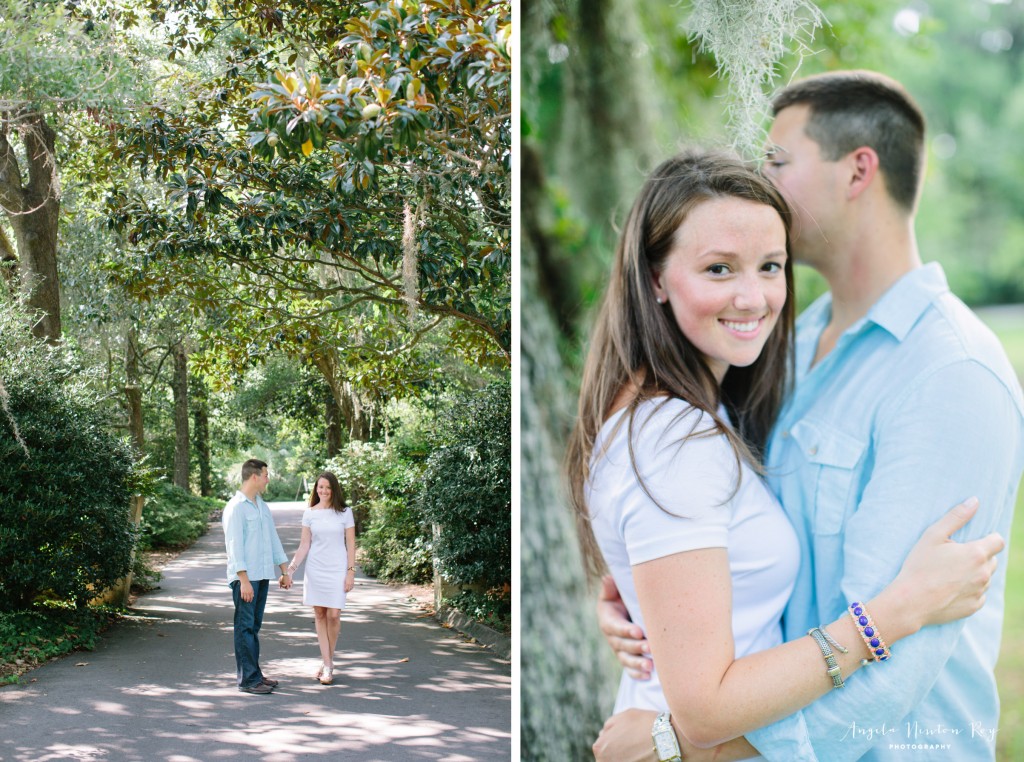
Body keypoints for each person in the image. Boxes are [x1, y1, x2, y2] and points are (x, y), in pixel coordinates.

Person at [594, 71, 1024, 760]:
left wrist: (696, 747)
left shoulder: (950, 373)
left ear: (857, 172)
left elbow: (899, 667)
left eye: (777, 162)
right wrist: (648, 597)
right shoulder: (781, 349)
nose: (760, 179)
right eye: (720, 267)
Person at [222, 458, 292, 695]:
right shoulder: (235, 508)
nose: (267, 479)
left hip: (261, 576)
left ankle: (255, 674)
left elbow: (273, 540)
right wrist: (243, 579)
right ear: (254, 477)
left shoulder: (261, 505)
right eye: (265, 475)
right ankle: (248, 680)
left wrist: (284, 570)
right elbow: (234, 547)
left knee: (253, 626)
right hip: (245, 578)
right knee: (244, 627)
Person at [286, 470, 356, 685]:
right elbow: (305, 544)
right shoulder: (310, 513)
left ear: (334, 489)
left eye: (327, 487)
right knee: (320, 613)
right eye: (320, 487)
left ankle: (329, 659)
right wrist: (291, 568)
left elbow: (351, 544)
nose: (323, 490)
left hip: (337, 568)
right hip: (316, 568)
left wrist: (350, 572)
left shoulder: (345, 512)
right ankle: (327, 664)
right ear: (316, 489)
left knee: (334, 615)